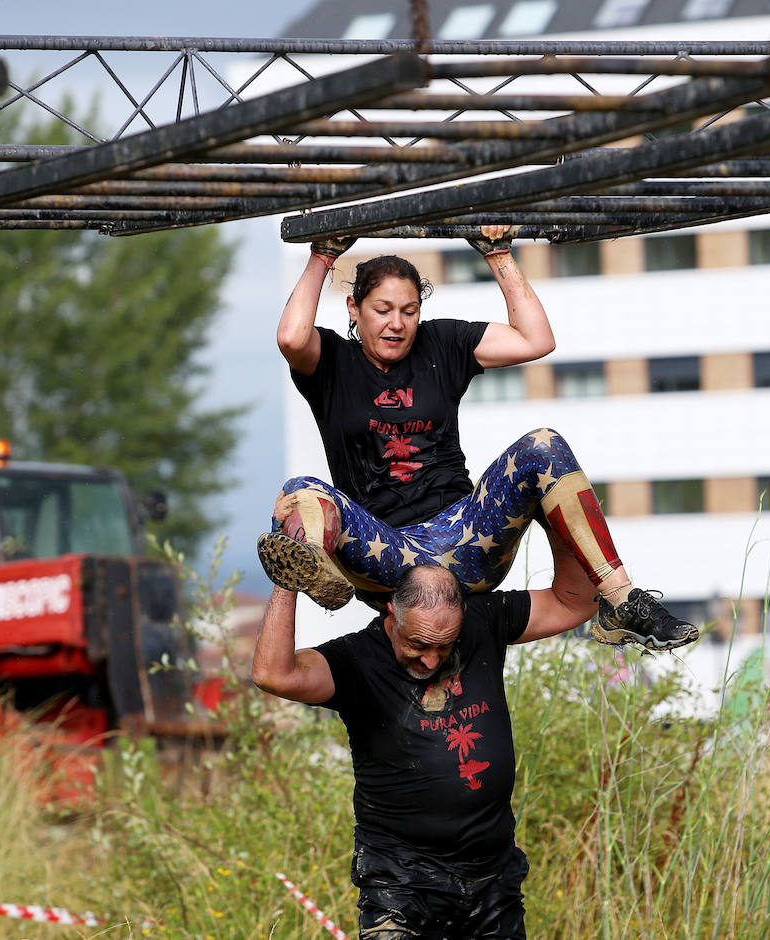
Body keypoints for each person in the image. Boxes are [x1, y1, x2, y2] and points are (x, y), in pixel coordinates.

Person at [259, 224, 698, 651]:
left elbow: (535, 340)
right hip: (389, 559)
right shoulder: (332, 361)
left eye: (409, 311)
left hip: (467, 541)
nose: (397, 324)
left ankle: (622, 601)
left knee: (543, 445)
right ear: (354, 308)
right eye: (383, 310)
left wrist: (498, 254)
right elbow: (291, 336)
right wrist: (323, 255)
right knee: (301, 492)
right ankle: (318, 568)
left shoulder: (442, 343)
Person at [250, 562, 595, 939]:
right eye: (418, 644)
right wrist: (288, 574)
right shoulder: (357, 661)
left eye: (444, 646)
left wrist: (554, 513)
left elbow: (575, 604)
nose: (431, 661)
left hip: (492, 879)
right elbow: (273, 674)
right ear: (392, 613)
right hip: (400, 884)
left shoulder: (483, 621)